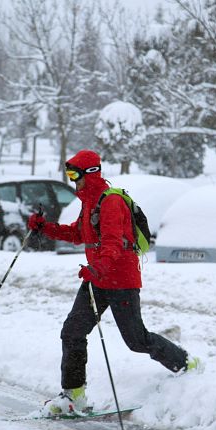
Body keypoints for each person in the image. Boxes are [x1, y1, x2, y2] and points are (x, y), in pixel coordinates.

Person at [27, 149, 200, 415]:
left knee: (136, 340)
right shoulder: (89, 202)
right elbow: (77, 233)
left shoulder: (111, 202)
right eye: (68, 174)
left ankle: (186, 363)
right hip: (97, 279)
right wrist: (44, 227)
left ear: (91, 173)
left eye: (75, 173)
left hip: (120, 280)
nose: (72, 179)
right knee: (73, 331)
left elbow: (113, 242)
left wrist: (98, 268)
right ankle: (74, 396)